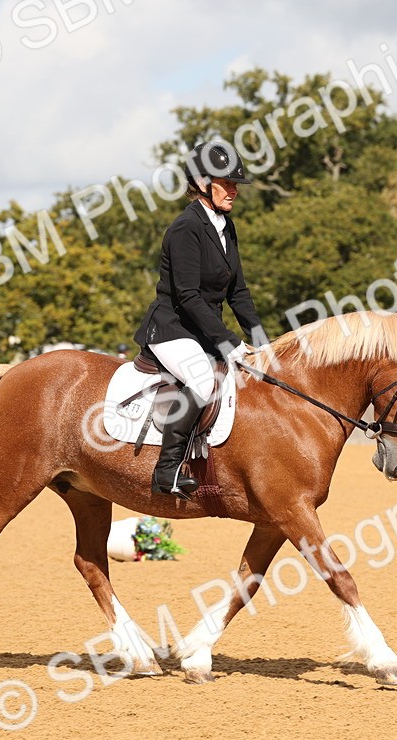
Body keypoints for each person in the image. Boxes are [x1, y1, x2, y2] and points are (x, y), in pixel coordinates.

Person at [133, 141, 263, 499]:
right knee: (203, 379)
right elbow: (188, 296)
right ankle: (167, 470)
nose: (235, 190)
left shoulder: (225, 226)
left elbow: (238, 292)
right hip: (171, 329)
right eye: (227, 183)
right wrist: (228, 341)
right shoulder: (185, 228)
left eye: (236, 184)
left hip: (201, 331)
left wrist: (262, 342)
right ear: (203, 182)